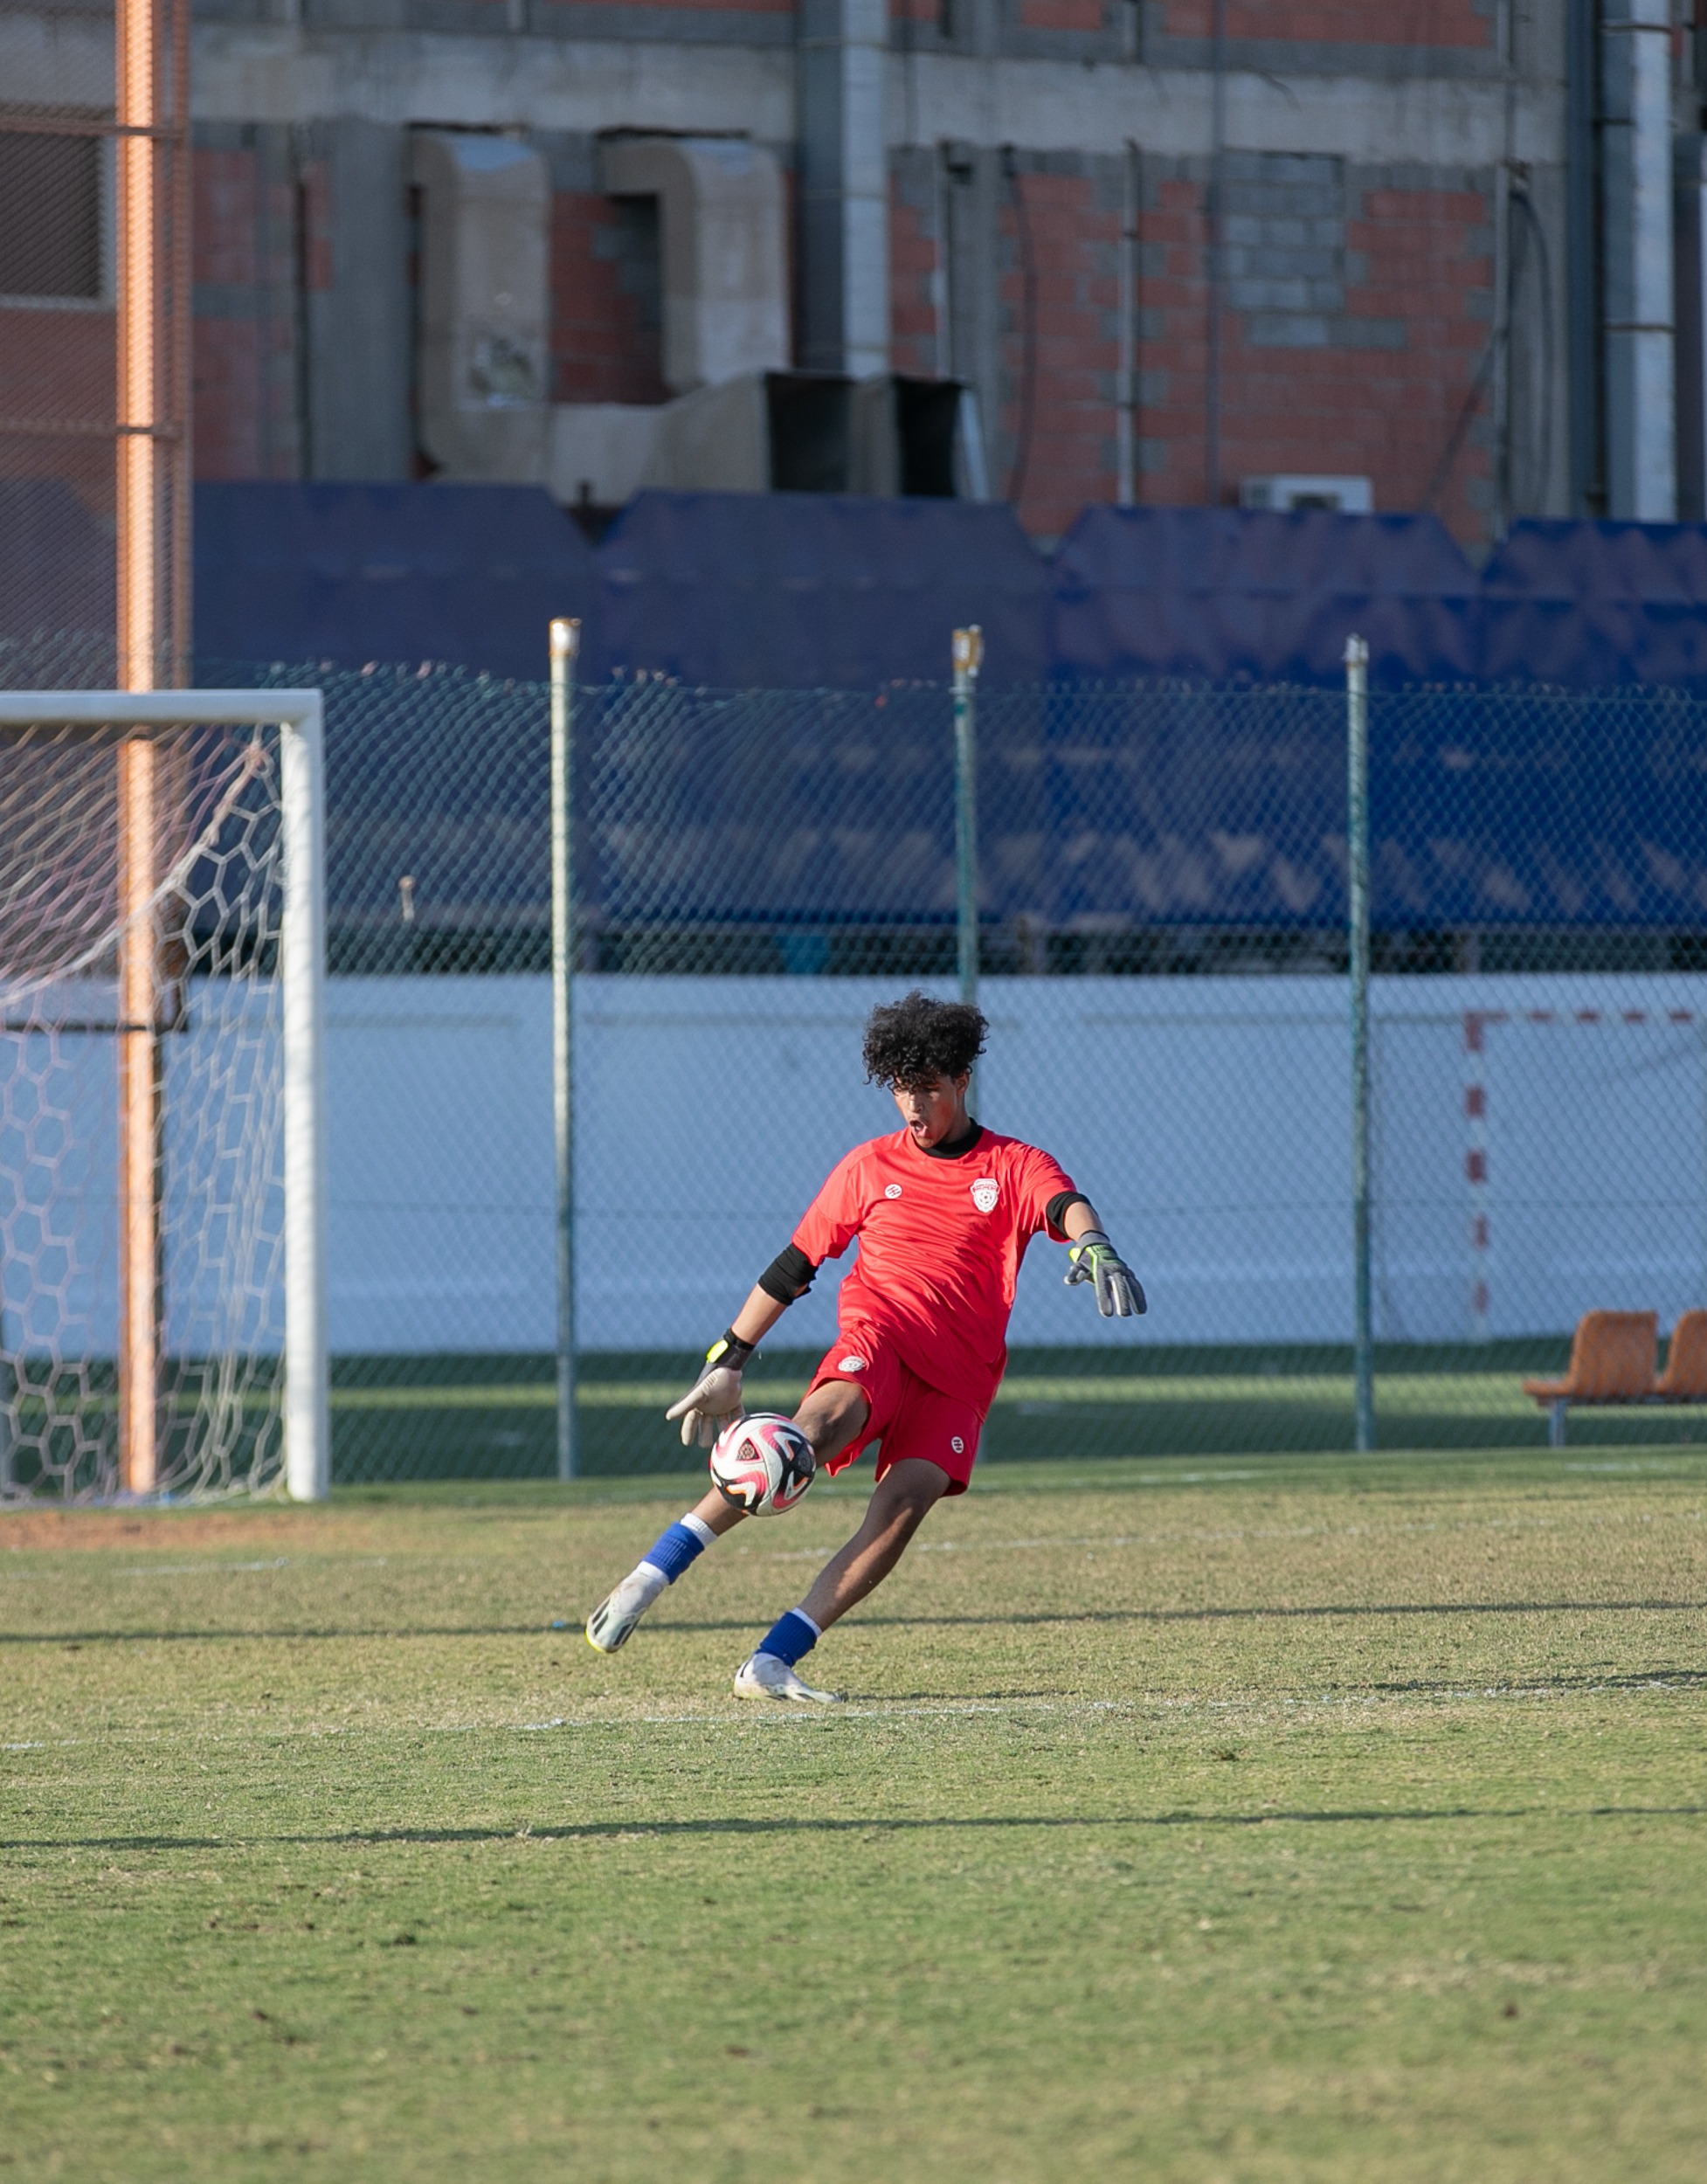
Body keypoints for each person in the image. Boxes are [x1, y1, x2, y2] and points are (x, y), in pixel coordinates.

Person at [584, 990, 1145, 1702]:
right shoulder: (867, 1168)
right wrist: (727, 1360)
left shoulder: (1011, 1164)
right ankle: (651, 1574)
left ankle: (771, 1662)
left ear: (962, 1081)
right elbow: (794, 1266)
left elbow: (1064, 1205)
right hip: (881, 1334)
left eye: (930, 1089)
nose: (914, 1106)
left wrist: (1094, 1244)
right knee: (807, 1436)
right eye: (901, 1090)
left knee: (902, 1509)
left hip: (960, 1378)